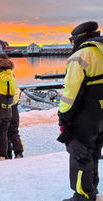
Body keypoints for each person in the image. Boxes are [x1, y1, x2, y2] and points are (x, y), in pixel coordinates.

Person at [57, 21, 103, 201]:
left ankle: (83, 195)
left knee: (80, 152)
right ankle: (92, 188)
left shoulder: (81, 56)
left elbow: (71, 93)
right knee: (94, 151)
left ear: (78, 39)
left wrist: (63, 117)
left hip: (86, 112)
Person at [0, 54, 24, 159]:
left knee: (2, 133)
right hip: (12, 107)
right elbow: (16, 91)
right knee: (13, 131)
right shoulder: (11, 75)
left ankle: (6, 155)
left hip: (1, 109)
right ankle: (18, 153)